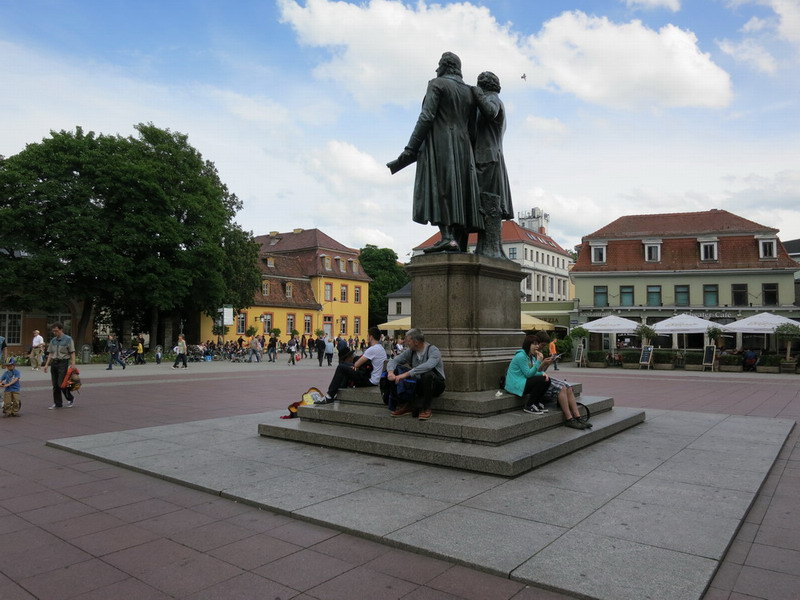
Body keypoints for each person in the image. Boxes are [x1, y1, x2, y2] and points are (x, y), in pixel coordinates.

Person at [389, 51, 482, 252]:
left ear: (447, 66)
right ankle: (455, 239)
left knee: (441, 184)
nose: (436, 68)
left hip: (440, 141)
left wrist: (410, 148)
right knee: (459, 187)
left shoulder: (437, 84)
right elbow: (473, 129)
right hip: (464, 144)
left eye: (439, 64)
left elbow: (426, 117)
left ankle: (447, 237)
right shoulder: (470, 92)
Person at [472, 71, 513, 258]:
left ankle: (490, 248)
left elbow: (490, 112)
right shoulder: (492, 99)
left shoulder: (492, 99)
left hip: (487, 157)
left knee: (485, 202)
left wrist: (476, 94)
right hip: (489, 156)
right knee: (485, 202)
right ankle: (489, 247)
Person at [315, 327, 388, 404]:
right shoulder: (380, 348)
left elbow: (356, 364)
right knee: (345, 366)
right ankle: (339, 390)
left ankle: (329, 396)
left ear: (371, 337)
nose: (367, 337)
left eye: (367, 336)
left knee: (341, 367)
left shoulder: (372, 349)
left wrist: (354, 366)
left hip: (371, 381)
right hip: (376, 379)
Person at [386, 328, 446, 420]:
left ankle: (426, 408)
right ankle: (404, 404)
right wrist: (390, 372)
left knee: (427, 374)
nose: (406, 342)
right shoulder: (411, 351)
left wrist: (406, 374)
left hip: (435, 385)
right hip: (418, 384)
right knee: (395, 371)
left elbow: (428, 366)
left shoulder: (433, 350)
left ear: (416, 342)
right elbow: (394, 361)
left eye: (408, 340)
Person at [504, 332, 552, 417]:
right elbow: (529, 374)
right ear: (528, 345)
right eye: (534, 344)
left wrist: (542, 373)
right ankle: (529, 405)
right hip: (515, 384)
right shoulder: (521, 356)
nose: (537, 346)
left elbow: (531, 372)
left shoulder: (529, 356)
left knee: (547, 380)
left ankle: (536, 403)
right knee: (541, 379)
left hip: (522, 381)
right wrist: (539, 361)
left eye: (537, 344)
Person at [42, 322, 76, 409]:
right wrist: (46, 365)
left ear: (61, 330)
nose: (54, 333)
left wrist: (73, 364)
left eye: (56, 331)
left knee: (61, 384)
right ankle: (58, 403)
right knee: (55, 385)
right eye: (53, 331)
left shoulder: (68, 339)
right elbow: (50, 353)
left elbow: (72, 352)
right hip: (54, 363)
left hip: (63, 363)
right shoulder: (53, 340)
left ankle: (70, 398)